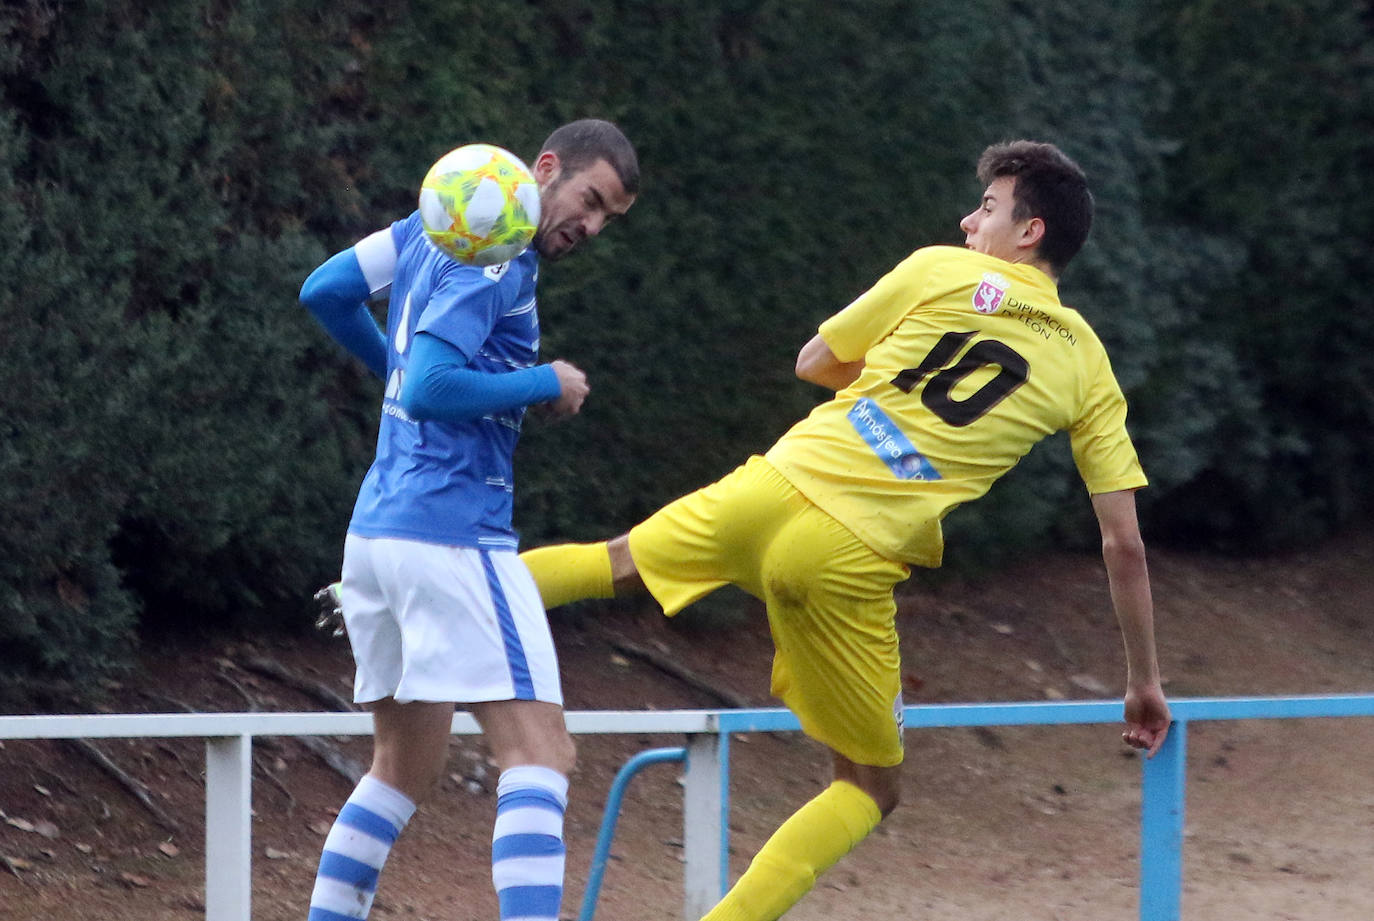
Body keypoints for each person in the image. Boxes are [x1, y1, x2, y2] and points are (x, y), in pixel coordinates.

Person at [520, 140, 1170, 921]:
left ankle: (391, 594)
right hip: (846, 554)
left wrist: (881, 393)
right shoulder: (1089, 364)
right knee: (867, 785)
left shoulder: (938, 268)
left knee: (610, 560)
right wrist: (1142, 680)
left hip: (773, 485)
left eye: (988, 208)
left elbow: (813, 361)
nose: (969, 220)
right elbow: (1123, 543)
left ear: (1029, 232)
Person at [297, 118, 638, 921]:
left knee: (399, 768)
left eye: (607, 218)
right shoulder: (501, 258)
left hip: (375, 536)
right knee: (541, 753)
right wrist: (540, 381)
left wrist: (396, 363)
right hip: (451, 533)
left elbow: (325, 291)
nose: (589, 226)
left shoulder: (432, 222)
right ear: (546, 168)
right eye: (589, 200)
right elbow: (431, 389)